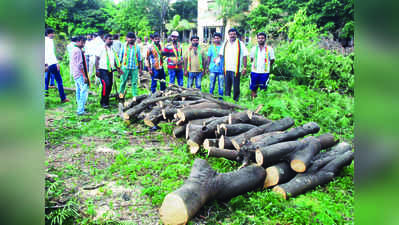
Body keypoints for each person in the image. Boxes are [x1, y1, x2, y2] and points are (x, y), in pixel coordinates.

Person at [219, 28, 248, 101]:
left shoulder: (240, 44)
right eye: (231, 34)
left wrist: (244, 67)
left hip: (236, 69)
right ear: (228, 35)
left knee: (236, 87)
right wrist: (217, 61)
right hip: (227, 68)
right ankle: (227, 101)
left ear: (236, 35)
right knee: (227, 86)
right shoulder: (225, 43)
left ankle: (235, 101)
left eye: (234, 34)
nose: (232, 35)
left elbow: (245, 55)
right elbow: (220, 55)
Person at [95, 34, 122, 108]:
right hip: (102, 70)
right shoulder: (101, 48)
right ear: (105, 39)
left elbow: (114, 60)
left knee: (110, 85)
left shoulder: (112, 49)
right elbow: (96, 59)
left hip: (110, 70)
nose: (111, 40)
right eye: (109, 39)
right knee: (106, 85)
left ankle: (106, 101)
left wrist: (118, 69)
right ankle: (103, 102)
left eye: (111, 39)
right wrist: (97, 70)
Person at [45, 28, 70, 103]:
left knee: (46, 80)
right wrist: (57, 63)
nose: (53, 35)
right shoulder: (49, 41)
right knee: (59, 81)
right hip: (51, 63)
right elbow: (50, 53)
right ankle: (63, 98)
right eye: (52, 33)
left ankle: (46, 95)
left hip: (46, 63)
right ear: (49, 33)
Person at [249, 32, 275, 98]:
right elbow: (251, 59)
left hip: (265, 72)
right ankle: (253, 102)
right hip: (255, 72)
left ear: (265, 39)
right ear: (257, 39)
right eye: (259, 38)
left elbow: (272, 60)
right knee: (253, 88)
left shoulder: (269, 49)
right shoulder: (253, 49)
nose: (261, 39)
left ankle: (261, 104)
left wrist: (267, 66)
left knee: (263, 89)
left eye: (262, 38)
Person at [118, 32, 142, 99]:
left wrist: (140, 69)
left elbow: (140, 59)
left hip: (134, 68)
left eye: (132, 38)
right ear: (126, 38)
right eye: (129, 38)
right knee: (123, 81)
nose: (131, 39)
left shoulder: (137, 47)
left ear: (135, 39)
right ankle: (121, 96)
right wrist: (119, 68)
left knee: (134, 83)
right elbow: (120, 58)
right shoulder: (123, 46)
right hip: (125, 67)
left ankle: (135, 96)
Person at [70, 36, 90, 115]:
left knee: (78, 91)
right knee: (83, 91)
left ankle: (80, 108)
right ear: (79, 41)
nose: (84, 44)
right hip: (79, 74)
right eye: (83, 42)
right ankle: (81, 110)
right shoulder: (78, 50)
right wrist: (84, 76)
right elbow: (80, 65)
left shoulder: (74, 49)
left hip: (75, 73)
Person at [207, 32, 224, 97]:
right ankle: (210, 98)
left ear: (221, 39)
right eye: (215, 38)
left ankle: (221, 98)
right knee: (211, 85)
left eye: (218, 38)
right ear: (213, 39)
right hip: (212, 68)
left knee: (221, 85)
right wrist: (207, 67)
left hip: (221, 69)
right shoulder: (211, 47)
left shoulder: (223, 47)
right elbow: (209, 57)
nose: (216, 40)